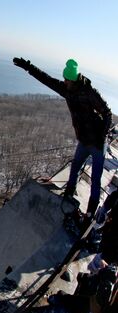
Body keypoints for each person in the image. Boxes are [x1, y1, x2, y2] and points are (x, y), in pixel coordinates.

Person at [13, 57, 114, 217]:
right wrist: (28, 67)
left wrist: (101, 137)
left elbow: (107, 113)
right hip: (84, 140)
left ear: (72, 79)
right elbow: (46, 79)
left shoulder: (89, 92)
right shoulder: (67, 90)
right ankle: (68, 196)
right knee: (74, 169)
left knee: (96, 180)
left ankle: (90, 212)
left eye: (66, 79)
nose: (64, 81)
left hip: (97, 142)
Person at [40, 190, 117, 313]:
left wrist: (112, 270)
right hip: (108, 252)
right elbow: (110, 205)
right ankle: (71, 300)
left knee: (92, 299)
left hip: (113, 268)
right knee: (88, 282)